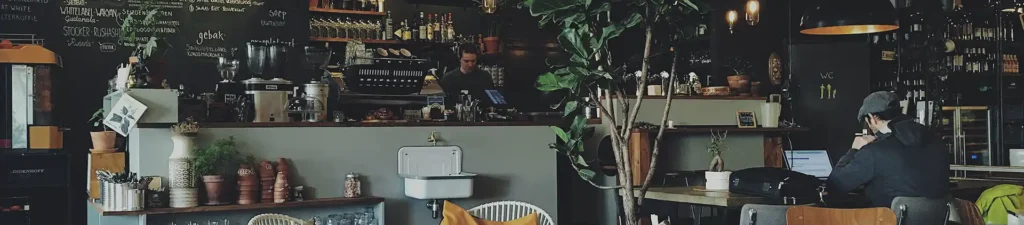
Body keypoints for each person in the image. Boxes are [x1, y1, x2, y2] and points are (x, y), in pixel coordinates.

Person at [827, 91, 950, 207]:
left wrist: (854, 149)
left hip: (887, 218)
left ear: (873, 118)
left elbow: (835, 186)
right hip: (937, 218)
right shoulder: (937, 141)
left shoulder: (873, 152)